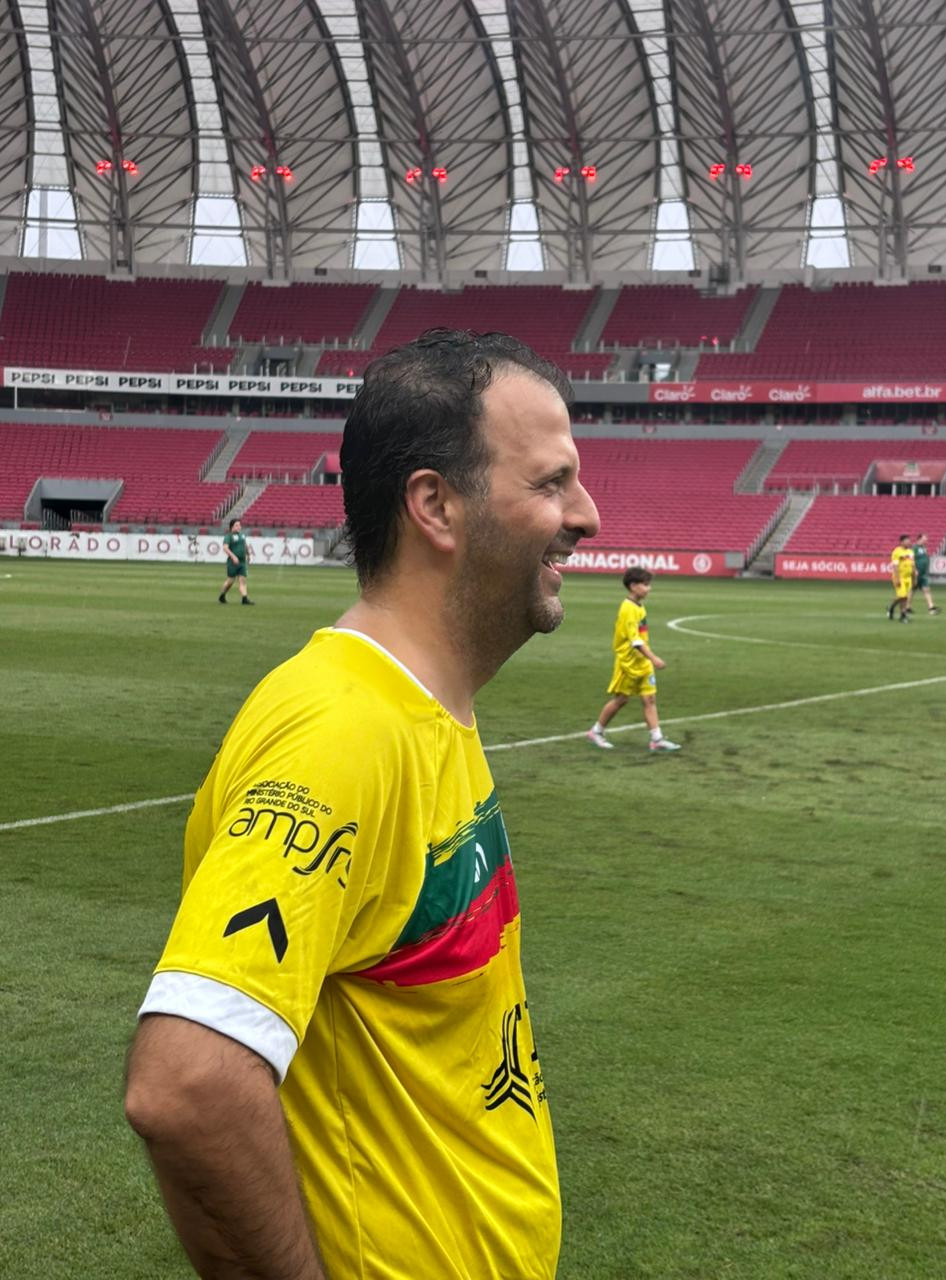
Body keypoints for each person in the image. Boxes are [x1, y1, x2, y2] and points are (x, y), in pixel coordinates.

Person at [124, 329, 600, 1280]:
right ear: (436, 506)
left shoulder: (423, 710)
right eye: (553, 483)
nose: (586, 514)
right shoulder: (345, 730)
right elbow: (187, 1083)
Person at [586, 566, 681, 753]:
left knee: (649, 699)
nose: (649, 588)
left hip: (642, 662)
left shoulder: (639, 605)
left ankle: (657, 739)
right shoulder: (628, 608)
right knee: (621, 699)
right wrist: (654, 658)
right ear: (633, 586)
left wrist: (648, 659)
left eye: (649, 584)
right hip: (628, 662)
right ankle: (596, 732)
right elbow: (635, 640)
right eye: (645, 584)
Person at [219, 518, 254, 604]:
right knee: (230, 581)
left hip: (242, 562)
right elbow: (225, 548)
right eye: (236, 525)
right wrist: (233, 557)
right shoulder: (228, 536)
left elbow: (244, 545)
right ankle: (222, 595)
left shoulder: (242, 535)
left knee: (243, 580)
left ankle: (244, 599)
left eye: (239, 525)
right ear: (231, 527)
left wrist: (248, 554)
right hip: (232, 562)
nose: (239, 527)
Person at [909, 533, 941, 615]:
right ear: (919, 539)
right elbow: (911, 560)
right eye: (924, 538)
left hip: (923, 573)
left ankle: (931, 607)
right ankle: (907, 607)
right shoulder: (914, 548)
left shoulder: (924, 548)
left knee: (926, 589)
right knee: (912, 590)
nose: (926, 539)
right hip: (916, 573)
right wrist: (914, 570)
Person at [887, 532, 914, 622]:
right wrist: (897, 578)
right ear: (901, 542)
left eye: (909, 541)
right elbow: (895, 566)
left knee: (905, 597)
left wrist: (914, 575)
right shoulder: (897, 552)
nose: (909, 542)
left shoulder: (910, 552)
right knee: (902, 596)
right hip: (900, 577)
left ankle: (891, 607)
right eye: (907, 541)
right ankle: (903, 615)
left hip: (908, 577)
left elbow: (912, 564)